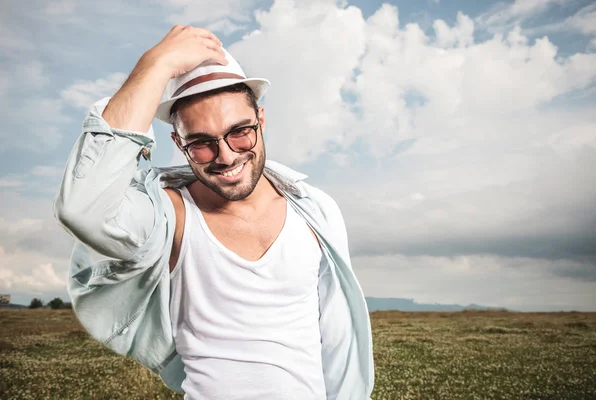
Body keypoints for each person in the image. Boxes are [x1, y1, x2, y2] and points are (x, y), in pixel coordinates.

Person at [54, 25, 374, 400]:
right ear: (179, 144)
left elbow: (336, 341)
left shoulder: (315, 211)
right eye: (202, 143)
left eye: (240, 132)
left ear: (262, 121)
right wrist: (156, 66)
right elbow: (84, 209)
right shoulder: (169, 217)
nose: (226, 155)